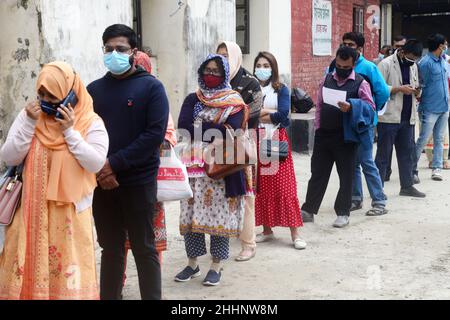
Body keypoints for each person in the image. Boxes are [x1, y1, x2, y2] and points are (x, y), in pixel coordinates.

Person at [0, 61, 109, 300]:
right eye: (41, 94)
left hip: (69, 216)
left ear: (70, 93)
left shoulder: (90, 122)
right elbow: (9, 156)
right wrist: (29, 123)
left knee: (67, 274)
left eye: (53, 96)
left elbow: (96, 163)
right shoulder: (29, 115)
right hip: (29, 212)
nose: (46, 101)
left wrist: (70, 131)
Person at [88, 24, 169, 300]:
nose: (114, 54)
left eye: (120, 49)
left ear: (133, 52)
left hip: (137, 182)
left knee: (144, 248)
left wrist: (114, 164)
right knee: (110, 249)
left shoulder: (152, 88)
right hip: (103, 184)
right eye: (108, 49)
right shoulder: (93, 90)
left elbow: (153, 135)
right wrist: (102, 170)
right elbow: (83, 132)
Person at [175, 54, 247, 286]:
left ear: (225, 74)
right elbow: (184, 126)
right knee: (190, 215)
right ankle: (192, 263)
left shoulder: (234, 101)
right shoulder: (191, 98)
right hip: (193, 166)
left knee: (219, 218)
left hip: (221, 168)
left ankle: (216, 265)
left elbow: (232, 130)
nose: (212, 75)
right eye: (208, 70)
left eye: (217, 71)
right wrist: (215, 128)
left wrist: (204, 129)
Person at [302, 46, 376, 227]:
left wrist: (352, 106)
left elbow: (370, 108)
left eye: (346, 67)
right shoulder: (326, 79)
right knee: (318, 174)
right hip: (324, 135)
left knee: (346, 175)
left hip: (346, 138)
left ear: (352, 65)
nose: (341, 70)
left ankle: (343, 213)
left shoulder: (361, 83)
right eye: (339, 66)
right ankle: (309, 209)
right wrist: (317, 129)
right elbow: (319, 105)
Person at [121, 51, 176, 288]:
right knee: (118, 240)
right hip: (120, 177)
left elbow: (168, 136)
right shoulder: (117, 96)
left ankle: (152, 285)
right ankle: (119, 282)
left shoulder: (155, 96)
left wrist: (142, 143)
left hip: (147, 178)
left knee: (149, 241)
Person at [252, 51, 306, 248]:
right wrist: (265, 114)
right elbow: (247, 115)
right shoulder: (251, 89)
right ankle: (266, 230)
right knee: (261, 184)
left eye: (267, 66)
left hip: (275, 138)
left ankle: (295, 233)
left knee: (283, 185)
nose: (263, 69)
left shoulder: (281, 89)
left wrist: (260, 114)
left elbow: (284, 115)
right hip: (255, 139)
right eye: (259, 65)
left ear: (273, 68)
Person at [332, 32, 390, 216]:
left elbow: (382, 92)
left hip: (363, 124)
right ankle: (356, 198)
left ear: (359, 47)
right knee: (352, 163)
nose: (347, 46)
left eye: (351, 44)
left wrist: (370, 113)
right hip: (343, 123)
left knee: (366, 162)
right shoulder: (336, 65)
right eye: (344, 43)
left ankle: (379, 200)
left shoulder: (368, 68)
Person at [216, 41, 263, 262]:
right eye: (219, 55)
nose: (223, 60)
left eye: (226, 55)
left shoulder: (250, 83)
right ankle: (221, 243)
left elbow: (252, 115)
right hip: (215, 143)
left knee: (245, 194)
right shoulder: (214, 80)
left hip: (242, 142)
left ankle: (248, 244)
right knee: (217, 192)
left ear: (235, 56)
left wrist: (225, 120)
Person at [376, 39, 426, 198]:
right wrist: (398, 89)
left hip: (407, 117)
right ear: (403, 52)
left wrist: (417, 92)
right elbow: (378, 89)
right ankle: (378, 190)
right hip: (389, 118)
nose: (413, 62)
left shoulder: (414, 66)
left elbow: (418, 86)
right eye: (411, 58)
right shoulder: (385, 64)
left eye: (415, 60)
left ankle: (407, 186)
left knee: (407, 154)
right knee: (383, 156)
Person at [414, 34, 449, 182]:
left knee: (439, 139)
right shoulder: (425, 63)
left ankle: (437, 168)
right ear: (440, 46)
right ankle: (410, 168)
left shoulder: (443, 61)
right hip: (430, 108)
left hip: (444, 106)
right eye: (445, 44)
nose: (446, 47)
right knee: (422, 139)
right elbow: (420, 85)